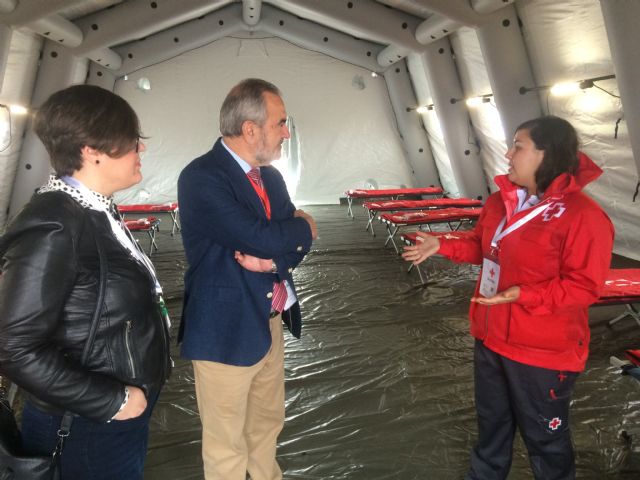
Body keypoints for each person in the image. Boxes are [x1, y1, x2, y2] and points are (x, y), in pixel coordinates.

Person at [402, 116, 614, 479]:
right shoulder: (502, 201)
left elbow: (584, 286)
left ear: (547, 155)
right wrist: (443, 244)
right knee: (491, 429)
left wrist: (523, 294)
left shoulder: (583, 216)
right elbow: (481, 245)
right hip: (492, 338)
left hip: (542, 352)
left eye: (518, 145)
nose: (508, 153)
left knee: (546, 441)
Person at [0, 84, 171, 479]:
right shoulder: (54, 226)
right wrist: (113, 400)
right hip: (84, 423)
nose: (140, 149)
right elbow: (14, 346)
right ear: (91, 151)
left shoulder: (93, 211)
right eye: (131, 141)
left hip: (116, 412)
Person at [178, 78, 317, 480]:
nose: (287, 133)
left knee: (267, 426)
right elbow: (267, 235)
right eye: (281, 123)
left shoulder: (270, 177)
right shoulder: (202, 177)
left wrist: (274, 259)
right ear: (250, 129)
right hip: (224, 330)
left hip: (270, 320)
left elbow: (288, 237)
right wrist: (300, 232)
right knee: (226, 446)